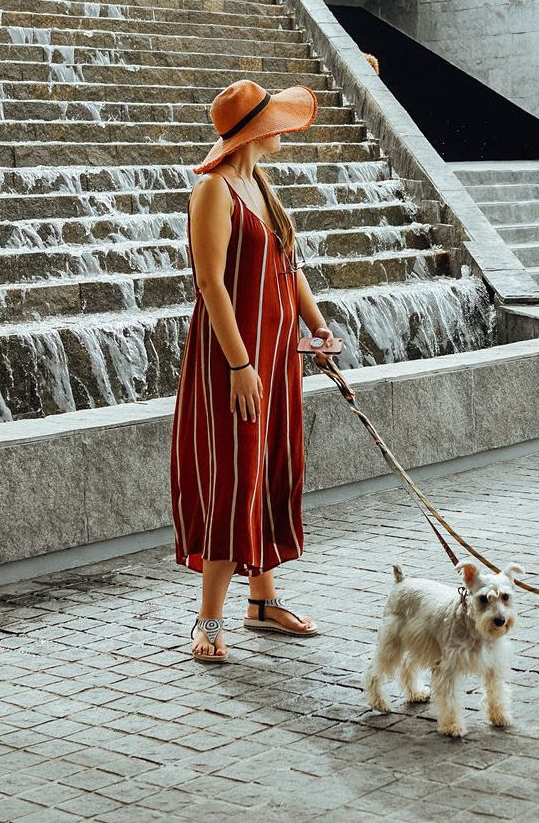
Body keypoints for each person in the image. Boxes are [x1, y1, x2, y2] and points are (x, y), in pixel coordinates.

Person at [170, 78, 336, 663]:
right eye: (276, 122)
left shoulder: (259, 184)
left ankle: (261, 602)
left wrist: (317, 328)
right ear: (256, 131)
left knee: (268, 469)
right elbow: (210, 283)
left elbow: (289, 269)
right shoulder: (214, 190)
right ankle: (207, 621)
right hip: (232, 360)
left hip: (273, 355)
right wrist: (239, 364)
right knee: (233, 477)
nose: (285, 131)